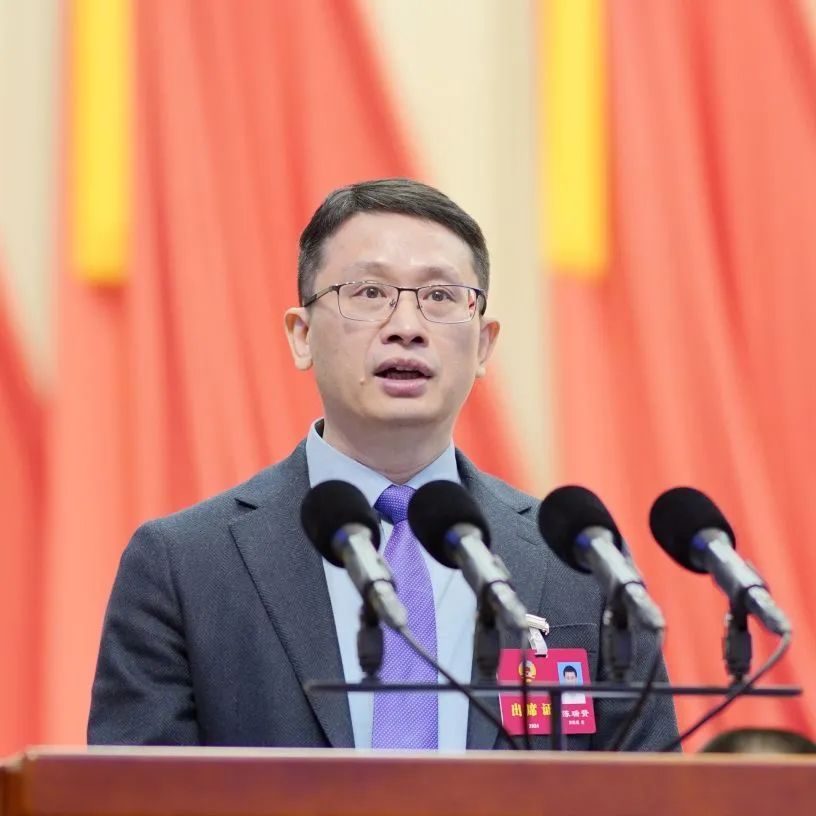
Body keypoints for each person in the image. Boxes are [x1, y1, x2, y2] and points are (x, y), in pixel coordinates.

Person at [88, 178, 678, 751]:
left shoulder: (579, 561)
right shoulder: (184, 565)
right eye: (369, 292)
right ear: (302, 335)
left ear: (483, 344)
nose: (406, 328)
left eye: (440, 296)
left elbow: (648, 790)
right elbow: (135, 794)